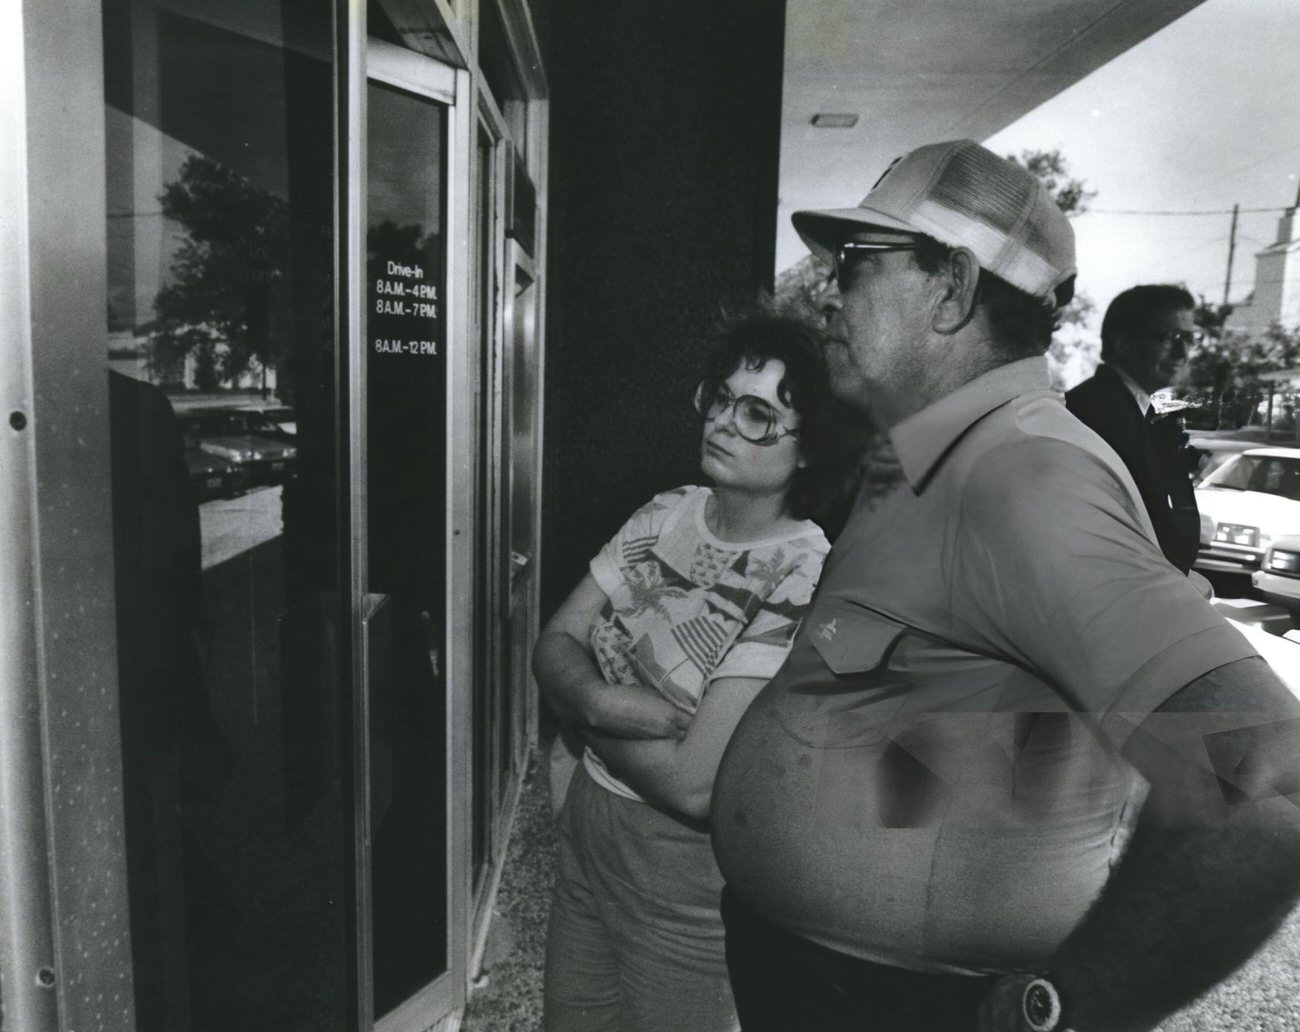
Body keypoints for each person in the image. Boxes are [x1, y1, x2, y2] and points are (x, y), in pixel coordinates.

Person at [710, 140, 1300, 1032]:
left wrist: (1056, 1013)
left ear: (951, 288)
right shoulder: (932, 452)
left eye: (858, 265)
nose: (829, 290)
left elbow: (1260, 778)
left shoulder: (1024, 474)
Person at [534, 307, 866, 1032]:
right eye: (720, 397)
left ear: (808, 450)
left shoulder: (803, 574)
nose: (721, 421)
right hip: (589, 821)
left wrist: (578, 705)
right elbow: (552, 639)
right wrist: (602, 703)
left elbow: (695, 785)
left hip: (681, 872)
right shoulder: (668, 511)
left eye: (756, 414)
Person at [1066, 284, 1202, 573]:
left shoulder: (1144, 412)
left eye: (1189, 339)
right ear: (1122, 344)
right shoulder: (1093, 410)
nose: (1183, 352)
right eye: (1170, 338)